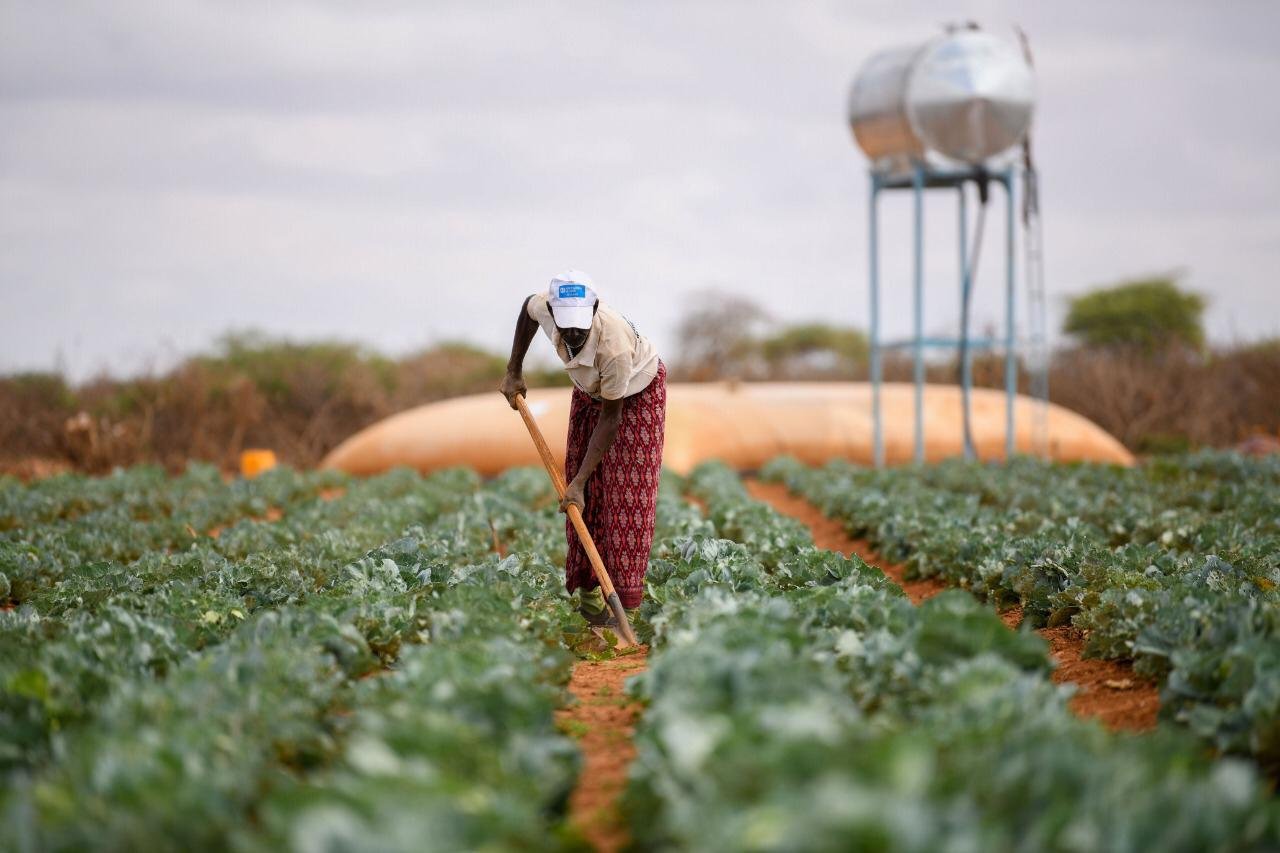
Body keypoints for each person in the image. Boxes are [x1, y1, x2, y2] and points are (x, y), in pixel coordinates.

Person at [500, 270, 666, 628]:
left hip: (633, 395)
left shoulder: (614, 346)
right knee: (580, 491)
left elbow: (611, 419)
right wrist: (514, 370)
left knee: (625, 495)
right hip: (591, 390)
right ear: (556, 313)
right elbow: (527, 311)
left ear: (593, 309)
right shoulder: (547, 308)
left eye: (580, 326)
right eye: (567, 326)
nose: (573, 333)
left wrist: (579, 481)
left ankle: (627, 609)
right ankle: (590, 595)